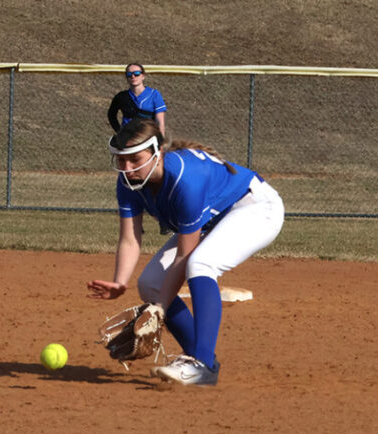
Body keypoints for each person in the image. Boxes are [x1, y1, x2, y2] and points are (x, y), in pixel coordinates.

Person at [87, 119, 284, 386]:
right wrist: (120, 281)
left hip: (255, 207)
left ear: (157, 153)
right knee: (151, 284)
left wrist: (159, 309)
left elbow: (184, 256)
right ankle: (201, 360)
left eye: (135, 159)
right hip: (213, 219)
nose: (127, 168)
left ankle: (201, 364)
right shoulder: (129, 182)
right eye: (121, 160)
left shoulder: (185, 179)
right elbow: (130, 239)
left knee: (201, 264)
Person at [107, 63, 167, 136]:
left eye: (137, 74)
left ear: (143, 76)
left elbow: (160, 121)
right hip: (127, 137)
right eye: (129, 74)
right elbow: (111, 115)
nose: (133, 76)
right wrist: (119, 131)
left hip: (148, 136)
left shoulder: (154, 94)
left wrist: (160, 140)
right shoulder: (121, 97)